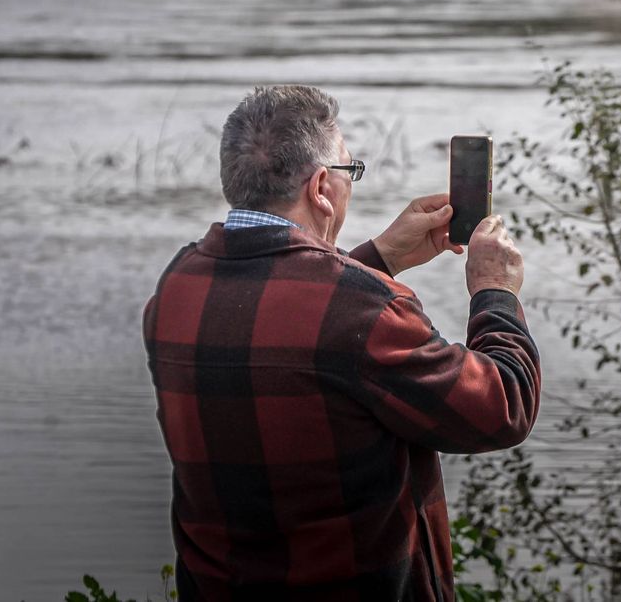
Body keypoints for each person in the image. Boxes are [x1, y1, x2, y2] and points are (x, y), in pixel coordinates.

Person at [142, 85, 541, 601]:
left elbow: (294, 329)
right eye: (350, 171)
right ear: (320, 188)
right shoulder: (362, 310)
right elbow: (502, 406)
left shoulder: (178, 285)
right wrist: (495, 290)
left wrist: (379, 257)